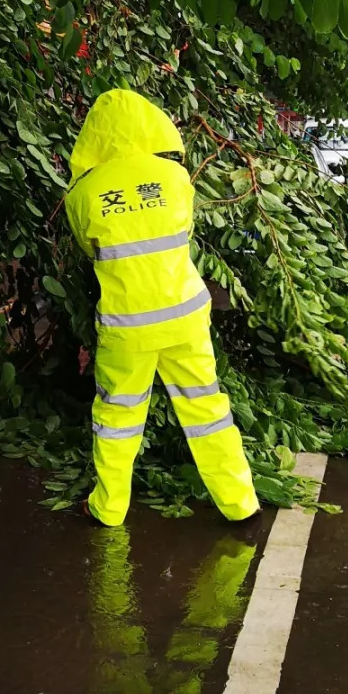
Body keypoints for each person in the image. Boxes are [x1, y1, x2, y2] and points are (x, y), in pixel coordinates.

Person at [64, 89, 261, 527]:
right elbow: (184, 231)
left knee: (117, 417)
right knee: (207, 409)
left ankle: (109, 509)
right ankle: (240, 503)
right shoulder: (174, 179)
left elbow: (89, 249)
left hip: (127, 326)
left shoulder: (83, 193)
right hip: (185, 316)